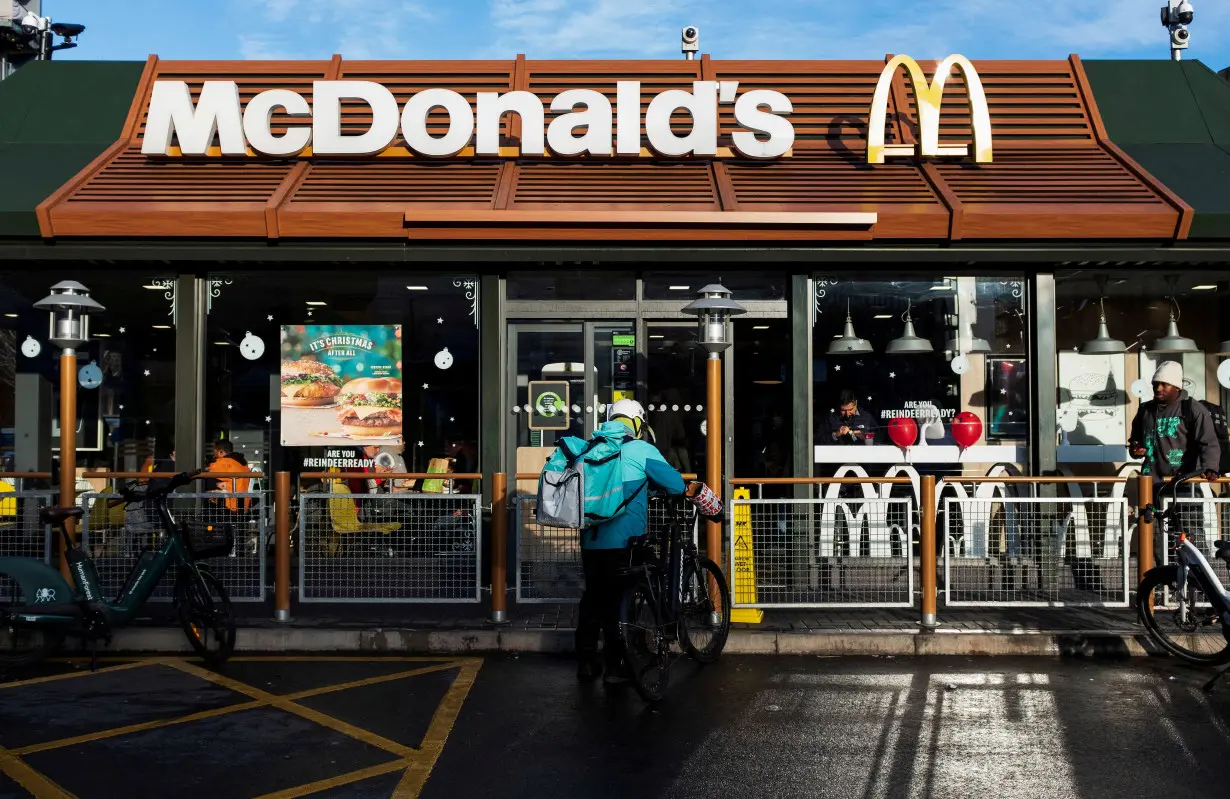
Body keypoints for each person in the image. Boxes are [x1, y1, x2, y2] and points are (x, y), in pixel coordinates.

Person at [576, 399, 686, 686]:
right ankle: (618, 664)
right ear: (637, 422)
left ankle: (586, 662)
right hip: (627, 541)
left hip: (590, 538)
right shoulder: (641, 449)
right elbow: (676, 485)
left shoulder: (591, 448)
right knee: (621, 600)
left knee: (594, 597)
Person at [1129, 360, 1221, 558]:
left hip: (1185, 483)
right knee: (1154, 537)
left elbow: (1209, 442)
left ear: (1176, 386)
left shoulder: (1192, 409)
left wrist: (1210, 467)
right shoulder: (1145, 410)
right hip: (1151, 484)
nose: (1158, 388)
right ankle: (1161, 583)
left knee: (1189, 534)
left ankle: (1199, 581)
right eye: (1155, 384)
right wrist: (1136, 449)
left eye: (1164, 384)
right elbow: (1135, 441)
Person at [209, 439, 252, 512]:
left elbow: (209, 474)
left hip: (228, 505)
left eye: (214, 451)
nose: (214, 454)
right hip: (243, 505)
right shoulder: (242, 464)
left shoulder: (224, 463)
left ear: (221, 452)